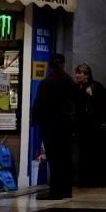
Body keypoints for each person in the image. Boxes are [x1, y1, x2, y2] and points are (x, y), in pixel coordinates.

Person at [31, 53, 77, 199]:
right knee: (65, 157)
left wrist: (34, 120)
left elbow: (39, 104)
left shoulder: (47, 82)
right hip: (66, 125)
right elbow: (75, 103)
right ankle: (65, 190)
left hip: (51, 125)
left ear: (50, 66)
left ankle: (55, 191)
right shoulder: (69, 81)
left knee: (54, 158)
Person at [72, 63, 106, 189]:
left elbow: (104, 106)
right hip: (82, 127)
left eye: (79, 73)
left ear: (86, 75)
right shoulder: (77, 88)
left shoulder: (95, 87)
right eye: (77, 72)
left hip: (93, 127)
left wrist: (91, 97)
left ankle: (92, 178)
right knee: (83, 152)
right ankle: (84, 178)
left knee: (92, 152)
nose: (77, 75)